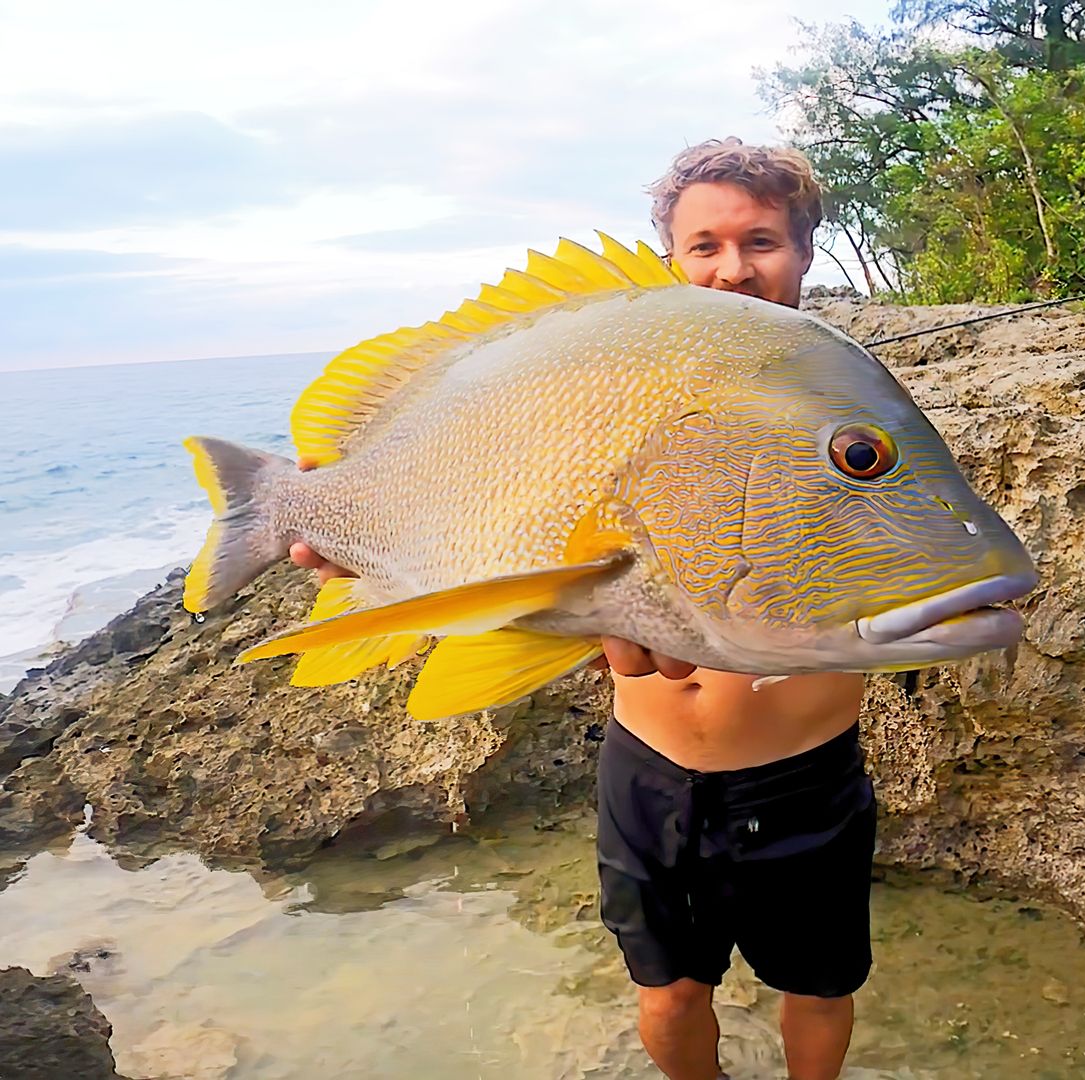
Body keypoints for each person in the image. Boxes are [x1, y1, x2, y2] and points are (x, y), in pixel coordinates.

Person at [289, 138, 874, 1080]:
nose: (733, 268)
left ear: (806, 251)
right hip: (651, 770)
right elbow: (503, 508)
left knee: (820, 984)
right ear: (669, 260)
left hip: (803, 775)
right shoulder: (615, 384)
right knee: (670, 990)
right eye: (704, 246)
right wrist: (385, 547)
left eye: (762, 241)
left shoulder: (843, 413)